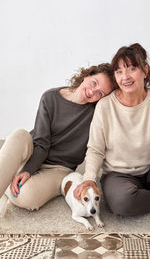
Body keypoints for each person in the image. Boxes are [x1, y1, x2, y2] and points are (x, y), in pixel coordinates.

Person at [74, 43, 150, 218]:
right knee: (122, 202)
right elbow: (95, 149)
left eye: (131, 69)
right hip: (118, 176)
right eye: (119, 71)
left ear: (145, 71)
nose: (125, 77)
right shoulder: (105, 106)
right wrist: (89, 178)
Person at [0, 63, 114, 212]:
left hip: (59, 168)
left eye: (100, 93)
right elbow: (41, 143)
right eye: (94, 83)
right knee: (19, 135)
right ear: (87, 76)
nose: (93, 91)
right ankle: (9, 174)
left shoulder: (97, 115)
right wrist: (28, 170)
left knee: (26, 196)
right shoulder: (50, 97)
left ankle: (8, 173)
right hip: (33, 151)